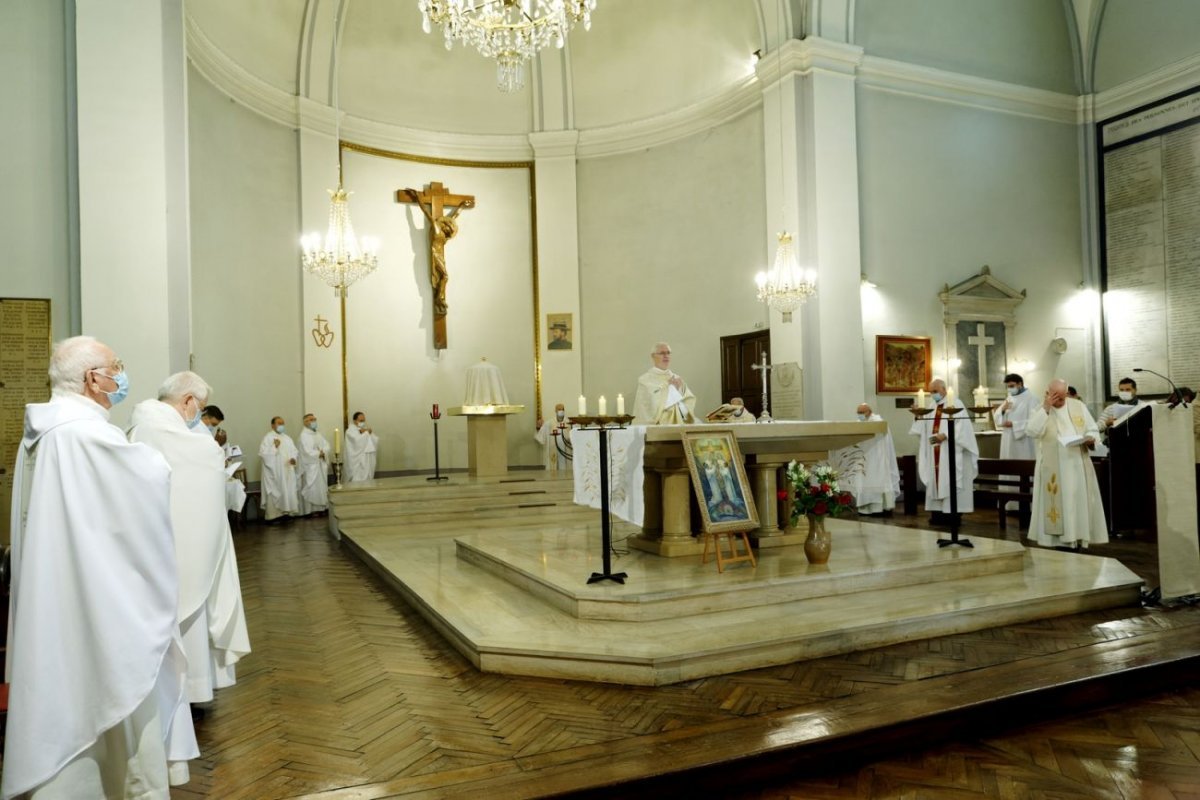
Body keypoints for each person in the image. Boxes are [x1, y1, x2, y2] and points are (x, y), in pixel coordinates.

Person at [4, 336, 197, 798]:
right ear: (93, 379)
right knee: (108, 695)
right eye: (116, 367)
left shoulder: (44, 431)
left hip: (61, 594)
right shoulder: (83, 434)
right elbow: (149, 477)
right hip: (95, 605)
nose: (120, 376)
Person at [129, 371, 252, 708]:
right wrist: (213, 455)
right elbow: (205, 460)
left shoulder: (143, 424)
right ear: (187, 401)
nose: (199, 414)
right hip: (182, 543)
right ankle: (192, 689)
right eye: (198, 405)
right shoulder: (168, 431)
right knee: (190, 611)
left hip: (159, 541)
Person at [1024, 378, 1108, 549]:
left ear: (1067, 393)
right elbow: (1031, 431)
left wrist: (1091, 439)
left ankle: (1077, 538)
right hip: (1053, 467)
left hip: (1077, 463)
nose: (1059, 401)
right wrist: (1046, 408)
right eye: (1055, 396)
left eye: (1062, 397)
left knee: (1076, 501)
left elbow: (1092, 428)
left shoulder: (1078, 406)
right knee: (1059, 502)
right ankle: (1055, 540)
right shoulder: (1040, 409)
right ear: (1047, 394)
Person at [909, 378, 978, 520]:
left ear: (944, 390)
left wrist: (946, 435)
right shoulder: (932, 406)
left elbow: (963, 427)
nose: (933, 394)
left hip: (949, 450)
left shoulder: (956, 404)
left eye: (935, 391)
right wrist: (918, 416)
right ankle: (937, 513)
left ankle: (952, 514)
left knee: (949, 479)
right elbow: (923, 427)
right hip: (934, 450)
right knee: (935, 480)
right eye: (931, 392)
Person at [831, 403, 900, 515]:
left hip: (877, 458)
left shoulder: (879, 422)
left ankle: (880, 508)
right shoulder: (859, 424)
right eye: (858, 413)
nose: (860, 415)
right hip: (863, 459)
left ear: (869, 412)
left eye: (862, 412)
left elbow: (883, 441)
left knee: (877, 481)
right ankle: (865, 508)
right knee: (863, 481)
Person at [632, 341, 697, 425]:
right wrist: (672, 390)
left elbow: (688, 405)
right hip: (656, 431)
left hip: (679, 428)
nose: (666, 356)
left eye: (668, 353)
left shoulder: (677, 379)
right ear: (653, 356)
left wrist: (677, 394)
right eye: (662, 353)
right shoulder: (645, 380)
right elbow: (651, 409)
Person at [259, 415, 300, 523]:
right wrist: (274, 447)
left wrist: (293, 459)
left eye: (283, 423)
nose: (281, 425)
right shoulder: (268, 438)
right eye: (279, 423)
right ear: (272, 425)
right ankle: (273, 516)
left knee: (287, 490)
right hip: (274, 472)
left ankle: (286, 513)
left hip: (287, 470)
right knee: (275, 491)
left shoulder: (287, 438)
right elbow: (264, 455)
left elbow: (294, 451)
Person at [298, 412, 332, 517]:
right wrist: (319, 453)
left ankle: (321, 508)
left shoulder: (318, 434)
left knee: (321, 487)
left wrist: (323, 452)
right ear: (305, 422)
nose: (314, 422)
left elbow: (327, 445)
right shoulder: (303, 436)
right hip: (310, 467)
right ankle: (309, 511)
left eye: (314, 419)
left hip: (320, 465)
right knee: (311, 487)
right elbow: (306, 452)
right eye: (311, 420)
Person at [534, 403, 572, 472]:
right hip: (554, 449)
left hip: (565, 450)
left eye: (562, 409)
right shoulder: (549, 423)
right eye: (559, 409)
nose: (561, 411)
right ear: (555, 411)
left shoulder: (569, 423)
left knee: (565, 466)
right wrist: (538, 427)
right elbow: (541, 436)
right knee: (554, 466)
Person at [345, 410, 379, 482]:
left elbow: (375, 440)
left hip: (367, 458)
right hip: (357, 461)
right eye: (360, 420)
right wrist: (366, 433)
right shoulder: (350, 430)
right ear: (355, 421)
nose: (362, 422)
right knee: (357, 480)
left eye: (364, 420)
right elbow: (356, 442)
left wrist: (369, 433)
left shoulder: (364, 429)